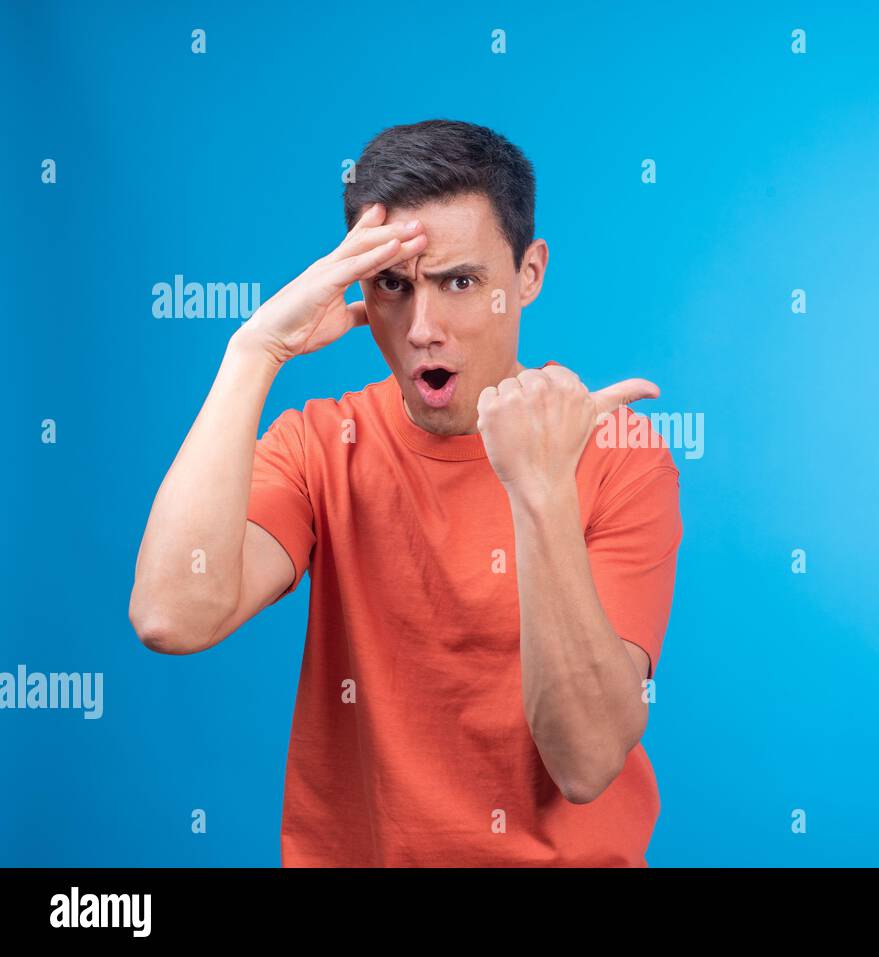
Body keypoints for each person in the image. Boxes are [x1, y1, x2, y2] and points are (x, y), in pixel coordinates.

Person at [128, 119, 683, 866]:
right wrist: (255, 351)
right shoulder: (324, 443)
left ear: (528, 274)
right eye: (393, 285)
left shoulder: (619, 456)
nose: (423, 327)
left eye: (460, 282)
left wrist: (541, 487)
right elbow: (170, 615)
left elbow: (585, 762)